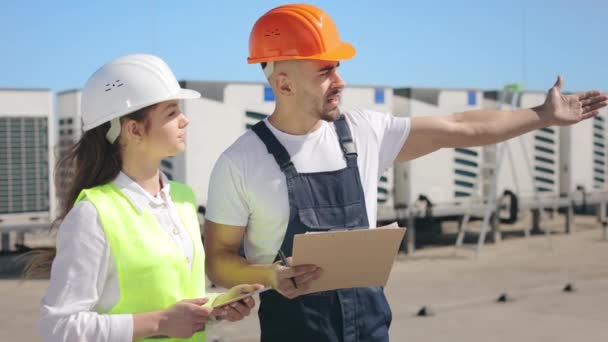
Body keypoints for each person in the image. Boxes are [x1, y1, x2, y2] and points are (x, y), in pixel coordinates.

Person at [203, 4, 608, 342]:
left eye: (338, 67)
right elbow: (218, 261)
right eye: (325, 71)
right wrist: (270, 275)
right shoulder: (242, 162)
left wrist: (542, 115)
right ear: (285, 85)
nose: (340, 81)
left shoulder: (362, 133)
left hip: (373, 332)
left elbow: (458, 128)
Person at [28, 54, 263, 342]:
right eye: (171, 112)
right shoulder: (93, 214)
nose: (185, 120)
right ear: (134, 130)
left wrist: (213, 309)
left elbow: (172, 304)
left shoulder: (182, 198)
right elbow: (57, 330)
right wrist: (160, 322)